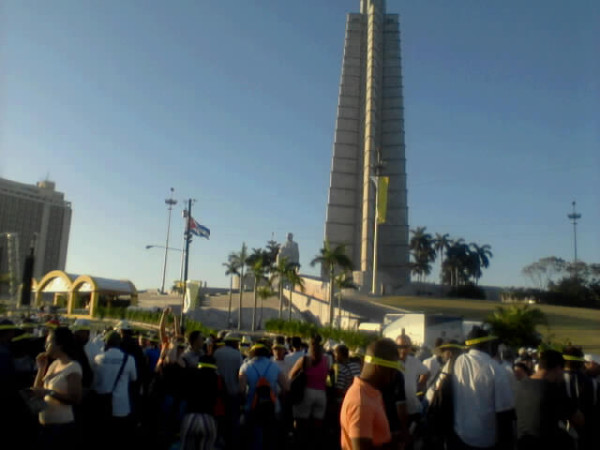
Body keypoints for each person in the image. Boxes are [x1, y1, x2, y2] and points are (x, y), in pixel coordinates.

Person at [447, 327, 514, 450]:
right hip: (484, 438)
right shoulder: (496, 368)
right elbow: (504, 410)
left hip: (459, 433)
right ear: (486, 344)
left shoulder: (457, 361)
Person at [515, 349, 583, 450]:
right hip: (546, 444)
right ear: (558, 368)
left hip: (523, 443)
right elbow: (579, 419)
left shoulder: (521, 384)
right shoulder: (552, 389)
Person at [340, 338, 400, 450]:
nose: (394, 375)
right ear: (379, 367)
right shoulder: (361, 402)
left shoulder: (371, 393)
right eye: (392, 370)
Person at [32, 327, 83, 450]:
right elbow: (37, 390)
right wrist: (41, 368)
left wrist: (50, 393)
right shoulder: (54, 364)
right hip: (45, 423)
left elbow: (75, 398)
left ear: (59, 345)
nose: (46, 346)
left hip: (61, 427)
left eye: (48, 343)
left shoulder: (73, 367)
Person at [92, 331, 137, 450]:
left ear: (106, 342)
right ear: (120, 343)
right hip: (121, 406)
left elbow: (95, 381)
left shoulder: (98, 358)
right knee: (119, 439)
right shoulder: (129, 359)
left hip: (102, 404)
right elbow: (134, 378)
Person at [239, 344, 287, 450]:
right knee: (271, 437)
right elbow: (286, 387)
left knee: (254, 438)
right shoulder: (275, 366)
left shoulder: (246, 366)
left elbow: (241, 389)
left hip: (252, 406)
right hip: (273, 407)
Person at [288, 334, 330, 448]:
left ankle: (300, 443)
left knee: (301, 422)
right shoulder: (327, 360)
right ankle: (315, 444)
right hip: (321, 394)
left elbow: (291, 375)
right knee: (318, 424)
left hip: (306, 392)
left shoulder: (305, 359)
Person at [396, 334, 429, 430]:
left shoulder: (414, 361)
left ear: (410, 348)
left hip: (413, 408)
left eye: (406, 347)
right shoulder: (392, 362)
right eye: (400, 347)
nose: (403, 350)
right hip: (397, 410)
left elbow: (426, 372)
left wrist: (420, 385)